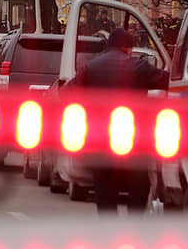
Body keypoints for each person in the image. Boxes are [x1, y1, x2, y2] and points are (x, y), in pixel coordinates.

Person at [72, 28, 169, 212]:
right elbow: (168, 81)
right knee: (139, 186)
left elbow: (69, 93)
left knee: (105, 189)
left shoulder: (91, 67)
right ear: (127, 47)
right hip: (133, 139)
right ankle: (133, 229)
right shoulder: (139, 66)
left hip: (99, 140)